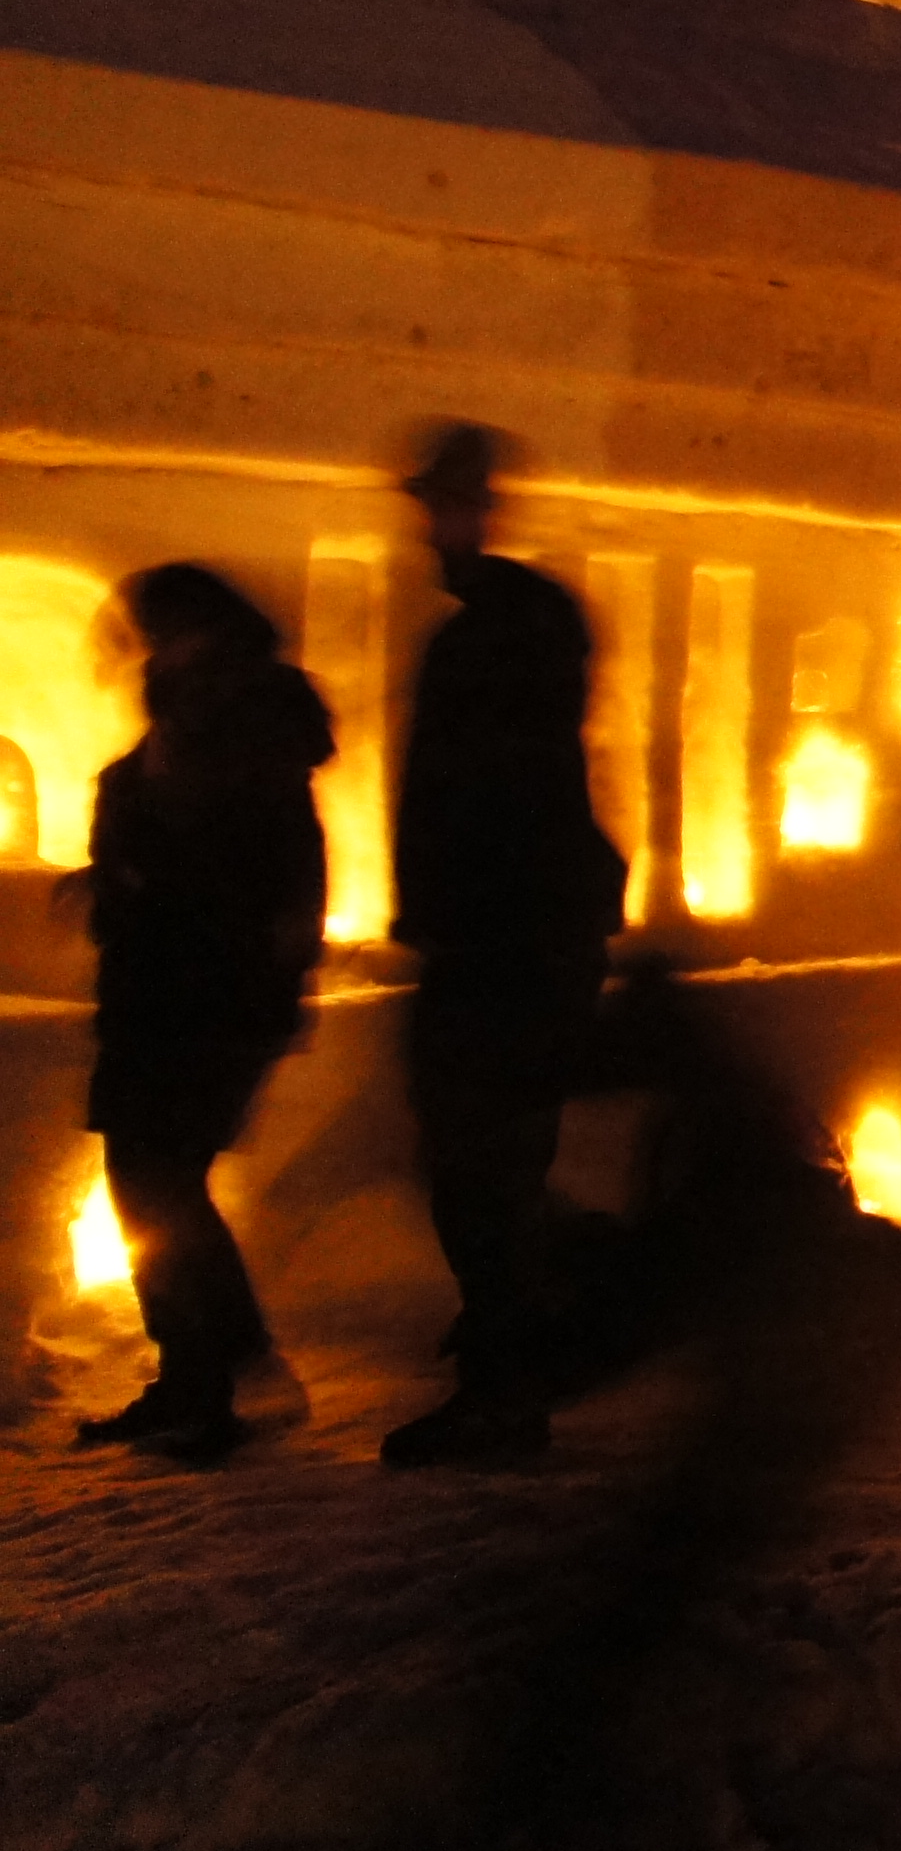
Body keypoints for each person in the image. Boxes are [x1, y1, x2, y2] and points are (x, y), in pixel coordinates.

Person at [386, 422, 625, 1467]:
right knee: (489, 1171)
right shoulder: (505, 627)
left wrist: (450, 910)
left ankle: (508, 1377)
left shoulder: (492, 637)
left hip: (504, 946)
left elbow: (479, 799)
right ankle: (512, 1346)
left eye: (442, 505)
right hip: (515, 939)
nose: (430, 528)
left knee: (482, 1173)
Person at [64, 565, 332, 1462]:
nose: (149, 645)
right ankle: (196, 1376)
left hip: (208, 995)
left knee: (162, 1181)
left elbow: (257, 867)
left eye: (159, 628)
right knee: (145, 1180)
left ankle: (229, 1369)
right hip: (160, 992)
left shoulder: (246, 724)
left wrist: (150, 883)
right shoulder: (192, 722)